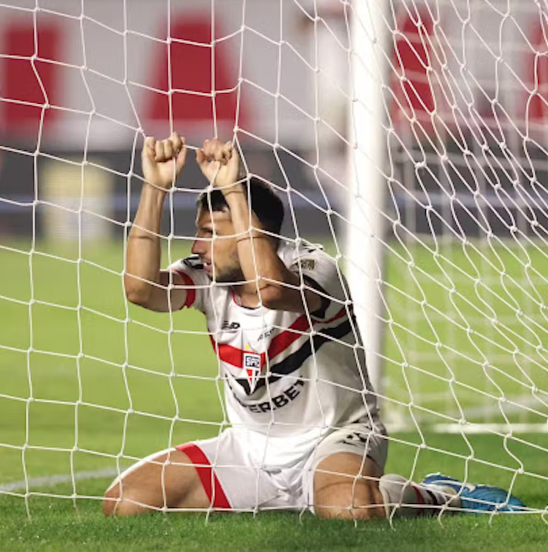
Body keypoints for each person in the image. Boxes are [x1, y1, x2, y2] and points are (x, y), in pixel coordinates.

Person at [103, 133, 525, 519]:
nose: (197, 246)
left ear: (257, 233)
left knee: (350, 511)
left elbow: (270, 289)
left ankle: (439, 494)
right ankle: (281, 493)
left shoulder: (314, 268)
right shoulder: (208, 277)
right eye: (199, 232)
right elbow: (141, 290)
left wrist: (234, 188)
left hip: (335, 438)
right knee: (125, 503)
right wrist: (156, 187)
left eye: (212, 233)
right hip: (250, 450)